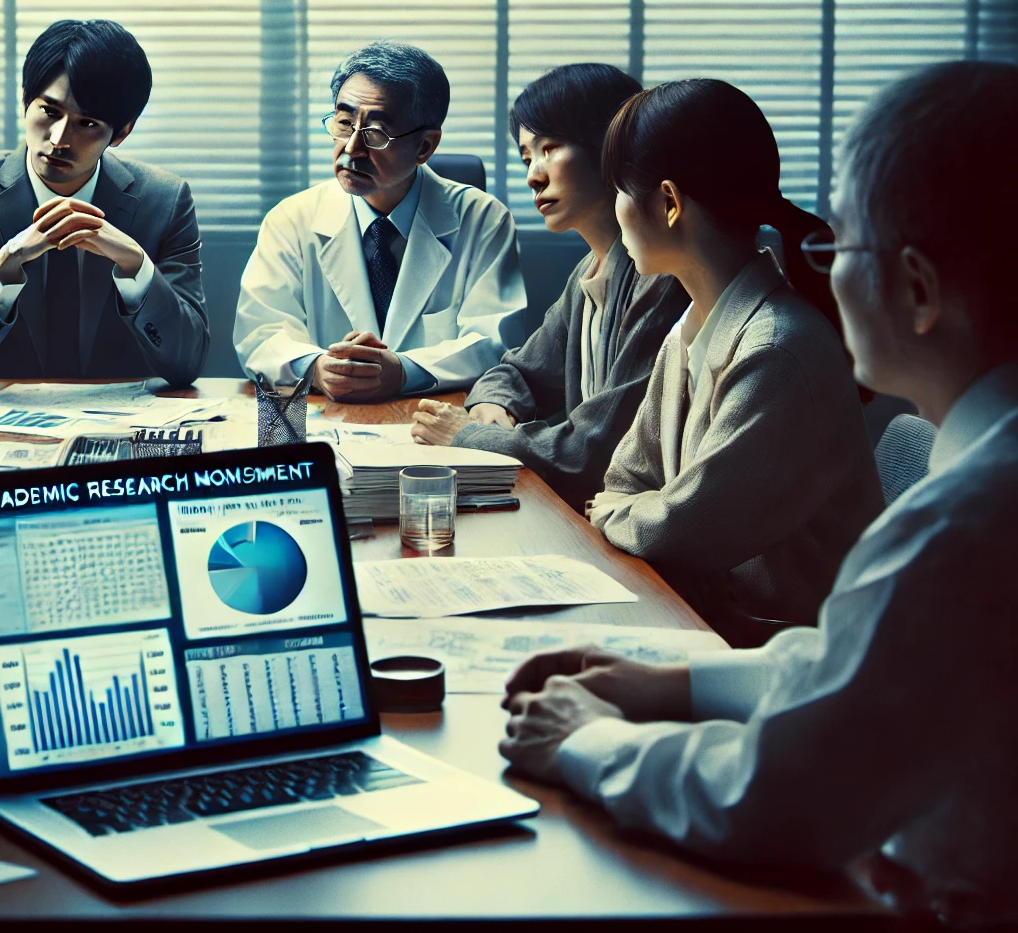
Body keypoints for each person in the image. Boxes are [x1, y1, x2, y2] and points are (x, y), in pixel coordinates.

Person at [499, 60, 1018, 928]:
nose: (821, 264)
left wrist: (585, 741)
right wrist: (665, 687)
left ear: (921, 290)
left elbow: (778, 796)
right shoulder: (979, 487)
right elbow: (848, 666)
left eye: (839, 243)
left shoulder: (964, 522)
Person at [581, 78, 881, 644]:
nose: (615, 208)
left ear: (668, 203)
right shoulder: (694, 324)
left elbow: (681, 529)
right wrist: (639, 514)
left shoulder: (777, 348)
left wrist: (620, 516)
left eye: (621, 188)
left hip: (788, 648)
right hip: (710, 620)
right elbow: (627, 479)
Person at [411, 64, 689, 508]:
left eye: (550, 148)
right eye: (526, 158)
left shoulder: (662, 277)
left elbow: (594, 451)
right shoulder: (586, 275)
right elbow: (515, 371)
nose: (533, 177)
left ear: (610, 145)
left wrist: (469, 435)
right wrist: (497, 406)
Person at [0, 19, 209, 389]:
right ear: (26, 100)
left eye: (87, 124)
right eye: (50, 112)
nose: (58, 139)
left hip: (123, 431)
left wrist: (137, 268)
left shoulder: (165, 202)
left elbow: (188, 365)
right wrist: (5, 268)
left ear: (121, 133)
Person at [234, 40, 524, 402]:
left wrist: (402, 371)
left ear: (425, 147)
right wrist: (317, 369)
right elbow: (260, 332)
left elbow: (495, 340)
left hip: (431, 421)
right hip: (329, 423)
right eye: (343, 123)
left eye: (376, 134)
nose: (352, 148)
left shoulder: (483, 219)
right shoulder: (291, 219)